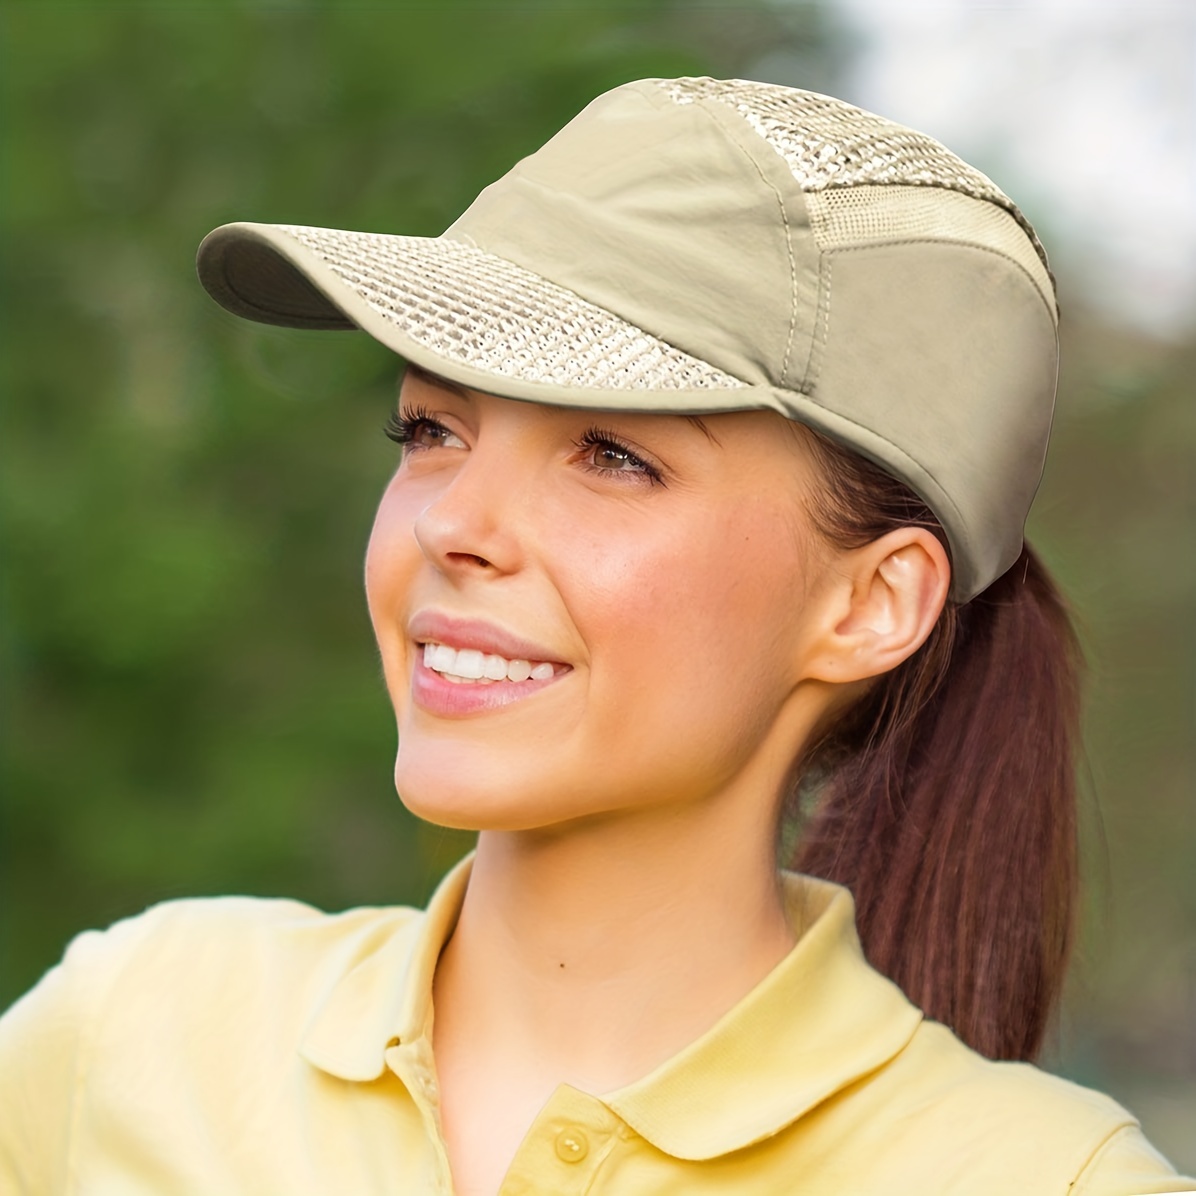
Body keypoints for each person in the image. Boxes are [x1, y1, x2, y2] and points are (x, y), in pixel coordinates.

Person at [0, 77, 1191, 1196]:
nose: (453, 523)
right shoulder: (131, 1029)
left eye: (612, 456)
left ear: (869, 602)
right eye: (428, 428)